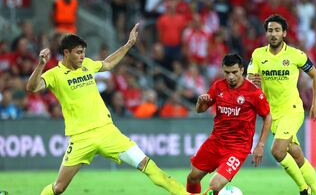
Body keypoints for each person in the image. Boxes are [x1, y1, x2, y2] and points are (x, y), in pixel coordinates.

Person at [26, 23, 188, 195]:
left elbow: (108, 64)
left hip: (107, 132)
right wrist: (41, 65)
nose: (83, 56)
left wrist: (128, 45)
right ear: (66, 52)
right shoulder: (54, 74)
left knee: (146, 164)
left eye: (84, 52)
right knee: (58, 188)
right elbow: (32, 87)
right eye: (78, 52)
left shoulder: (87, 65)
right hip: (81, 138)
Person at [247, 14, 316, 195]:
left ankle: (303, 189)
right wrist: (253, 84)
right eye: (270, 30)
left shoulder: (296, 55)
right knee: (295, 152)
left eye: (277, 30)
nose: (273, 34)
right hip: (272, 114)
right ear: (266, 34)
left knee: (277, 151)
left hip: (292, 110)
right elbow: (251, 79)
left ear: (284, 33)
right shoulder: (258, 55)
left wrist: (315, 103)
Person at [186, 54, 272, 195]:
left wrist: (261, 145)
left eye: (234, 72)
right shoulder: (218, 86)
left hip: (237, 148)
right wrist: (200, 102)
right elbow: (200, 110)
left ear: (242, 70)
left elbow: (267, 117)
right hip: (215, 142)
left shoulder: (254, 93)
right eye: (227, 73)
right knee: (192, 178)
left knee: (214, 186)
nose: (230, 76)